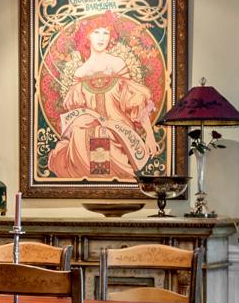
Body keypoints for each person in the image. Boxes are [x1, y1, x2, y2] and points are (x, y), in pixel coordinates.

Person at [45, 14, 161, 181]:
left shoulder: (118, 64)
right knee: (81, 141)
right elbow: (76, 115)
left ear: (111, 37)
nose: (101, 38)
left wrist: (149, 135)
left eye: (105, 33)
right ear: (87, 37)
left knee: (110, 147)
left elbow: (136, 103)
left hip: (118, 135)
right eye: (96, 32)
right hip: (85, 139)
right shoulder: (80, 73)